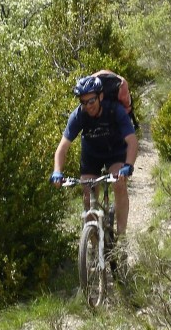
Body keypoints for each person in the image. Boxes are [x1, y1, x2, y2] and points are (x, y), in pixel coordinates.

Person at [50, 75, 138, 236]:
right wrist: (57, 171)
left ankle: (122, 236)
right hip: (91, 155)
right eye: (83, 102)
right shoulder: (78, 115)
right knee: (87, 196)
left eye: (91, 101)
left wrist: (128, 166)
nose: (88, 106)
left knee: (119, 184)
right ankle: (93, 246)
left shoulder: (115, 110)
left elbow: (132, 141)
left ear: (100, 97)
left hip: (116, 151)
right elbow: (62, 147)